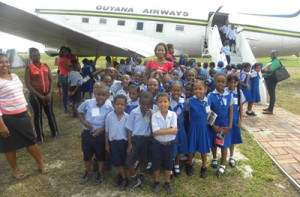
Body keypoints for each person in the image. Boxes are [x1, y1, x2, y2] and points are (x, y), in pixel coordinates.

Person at [0, 53, 48, 179]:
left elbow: (20, 94)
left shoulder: (15, 76)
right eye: (1, 62)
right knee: (9, 146)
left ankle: (41, 164)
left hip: (22, 114)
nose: (5, 65)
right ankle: (15, 169)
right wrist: (1, 125)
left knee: (31, 141)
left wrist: (26, 109)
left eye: (6, 62)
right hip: (7, 118)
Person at [77, 85, 113, 186]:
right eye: (98, 94)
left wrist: (101, 130)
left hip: (100, 134)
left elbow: (110, 121)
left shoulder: (109, 107)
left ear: (107, 96)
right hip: (87, 133)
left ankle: (100, 173)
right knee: (87, 155)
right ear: (94, 93)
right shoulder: (88, 103)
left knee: (100, 156)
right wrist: (84, 122)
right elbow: (79, 111)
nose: (100, 97)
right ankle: (87, 172)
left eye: (103, 95)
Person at [25, 48, 59, 143]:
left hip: (47, 94)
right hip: (35, 96)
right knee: (38, 115)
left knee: (50, 114)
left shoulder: (45, 66)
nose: (37, 57)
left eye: (38, 54)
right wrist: (41, 96)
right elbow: (28, 84)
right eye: (34, 55)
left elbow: (51, 80)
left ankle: (55, 132)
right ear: (31, 56)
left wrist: (49, 93)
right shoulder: (29, 68)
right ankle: (40, 137)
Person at [125, 91, 153, 190]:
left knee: (144, 160)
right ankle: (134, 178)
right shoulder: (134, 112)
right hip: (135, 140)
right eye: (143, 103)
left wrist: (151, 117)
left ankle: (141, 175)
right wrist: (129, 144)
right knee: (129, 162)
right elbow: (129, 128)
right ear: (139, 102)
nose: (145, 106)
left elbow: (153, 129)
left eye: (148, 104)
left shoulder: (151, 113)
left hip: (146, 139)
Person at [151, 92, 178, 195]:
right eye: (160, 102)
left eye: (165, 101)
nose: (163, 104)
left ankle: (167, 182)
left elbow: (174, 130)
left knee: (168, 164)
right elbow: (155, 132)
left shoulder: (173, 115)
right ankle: (156, 182)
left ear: (169, 103)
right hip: (158, 144)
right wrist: (170, 130)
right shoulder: (155, 116)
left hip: (170, 144)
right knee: (156, 163)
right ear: (157, 104)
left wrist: (162, 130)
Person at [208, 73, 233, 177]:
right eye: (218, 81)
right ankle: (214, 158)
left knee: (224, 145)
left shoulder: (229, 95)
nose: (220, 83)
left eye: (223, 81)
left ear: (226, 83)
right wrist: (213, 126)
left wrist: (230, 126)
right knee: (214, 143)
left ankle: (222, 165)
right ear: (215, 82)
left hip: (224, 125)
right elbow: (208, 111)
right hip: (214, 124)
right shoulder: (210, 95)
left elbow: (231, 111)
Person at [186, 80, 211, 178]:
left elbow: (209, 114)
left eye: (200, 88)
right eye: (195, 89)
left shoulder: (208, 101)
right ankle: (190, 165)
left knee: (203, 147)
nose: (198, 91)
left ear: (205, 89)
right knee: (191, 147)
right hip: (193, 127)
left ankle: (204, 167)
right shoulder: (190, 101)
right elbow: (188, 114)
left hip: (203, 127)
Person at [105, 94, 129, 190]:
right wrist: (106, 144)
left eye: (122, 104)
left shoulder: (127, 117)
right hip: (114, 143)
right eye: (117, 104)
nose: (119, 106)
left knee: (123, 161)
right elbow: (106, 131)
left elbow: (129, 132)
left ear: (125, 106)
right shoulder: (109, 116)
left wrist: (129, 144)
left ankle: (121, 175)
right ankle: (124, 179)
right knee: (118, 161)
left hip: (124, 143)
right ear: (113, 105)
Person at [169, 81, 188, 177]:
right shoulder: (168, 101)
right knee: (172, 147)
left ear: (181, 91)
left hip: (180, 128)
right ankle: (170, 166)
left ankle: (177, 164)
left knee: (179, 147)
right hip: (171, 129)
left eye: (178, 90)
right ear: (170, 90)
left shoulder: (183, 100)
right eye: (174, 90)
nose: (176, 92)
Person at [226, 74, 245, 167]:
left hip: (235, 118)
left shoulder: (239, 92)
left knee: (232, 137)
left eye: (235, 82)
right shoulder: (224, 91)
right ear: (227, 82)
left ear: (237, 83)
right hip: (225, 118)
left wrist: (241, 119)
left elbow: (241, 106)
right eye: (231, 82)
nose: (232, 84)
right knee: (224, 137)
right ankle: (222, 155)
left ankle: (231, 156)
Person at [262, 50, 281, 114]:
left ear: (277, 54)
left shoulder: (276, 61)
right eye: (271, 54)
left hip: (272, 79)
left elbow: (270, 70)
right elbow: (268, 68)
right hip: (268, 78)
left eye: (274, 54)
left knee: (272, 94)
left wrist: (263, 70)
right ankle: (269, 108)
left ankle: (270, 110)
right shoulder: (272, 61)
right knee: (270, 94)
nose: (272, 55)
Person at [57, 46, 72, 112]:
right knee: (65, 92)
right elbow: (68, 68)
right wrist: (72, 67)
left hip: (67, 76)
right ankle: (65, 108)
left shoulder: (65, 58)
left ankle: (68, 106)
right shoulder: (61, 59)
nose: (65, 52)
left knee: (68, 91)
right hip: (63, 76)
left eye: (65, 51)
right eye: (63, 51)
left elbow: (70, 66)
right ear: (61, 52)